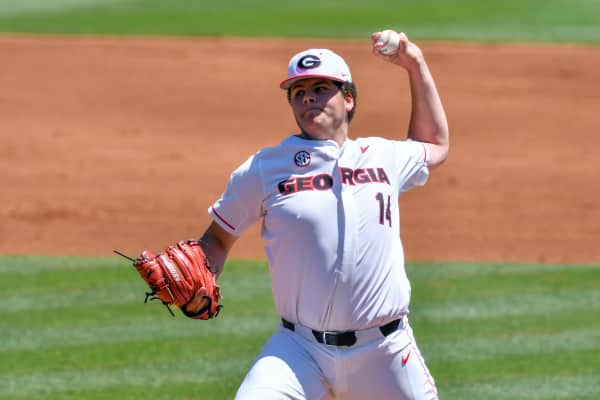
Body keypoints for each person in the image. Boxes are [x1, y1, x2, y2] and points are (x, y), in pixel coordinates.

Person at [185, 30, 449, 400]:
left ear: (349, 99)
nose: (307, 96)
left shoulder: (382, 156)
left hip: (385, 352)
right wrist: (201, 276)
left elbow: (433, 144)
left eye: (320, 88)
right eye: (298, 92)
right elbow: (217, 239)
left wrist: (415, 64)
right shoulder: (264, 168)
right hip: (300, 351)